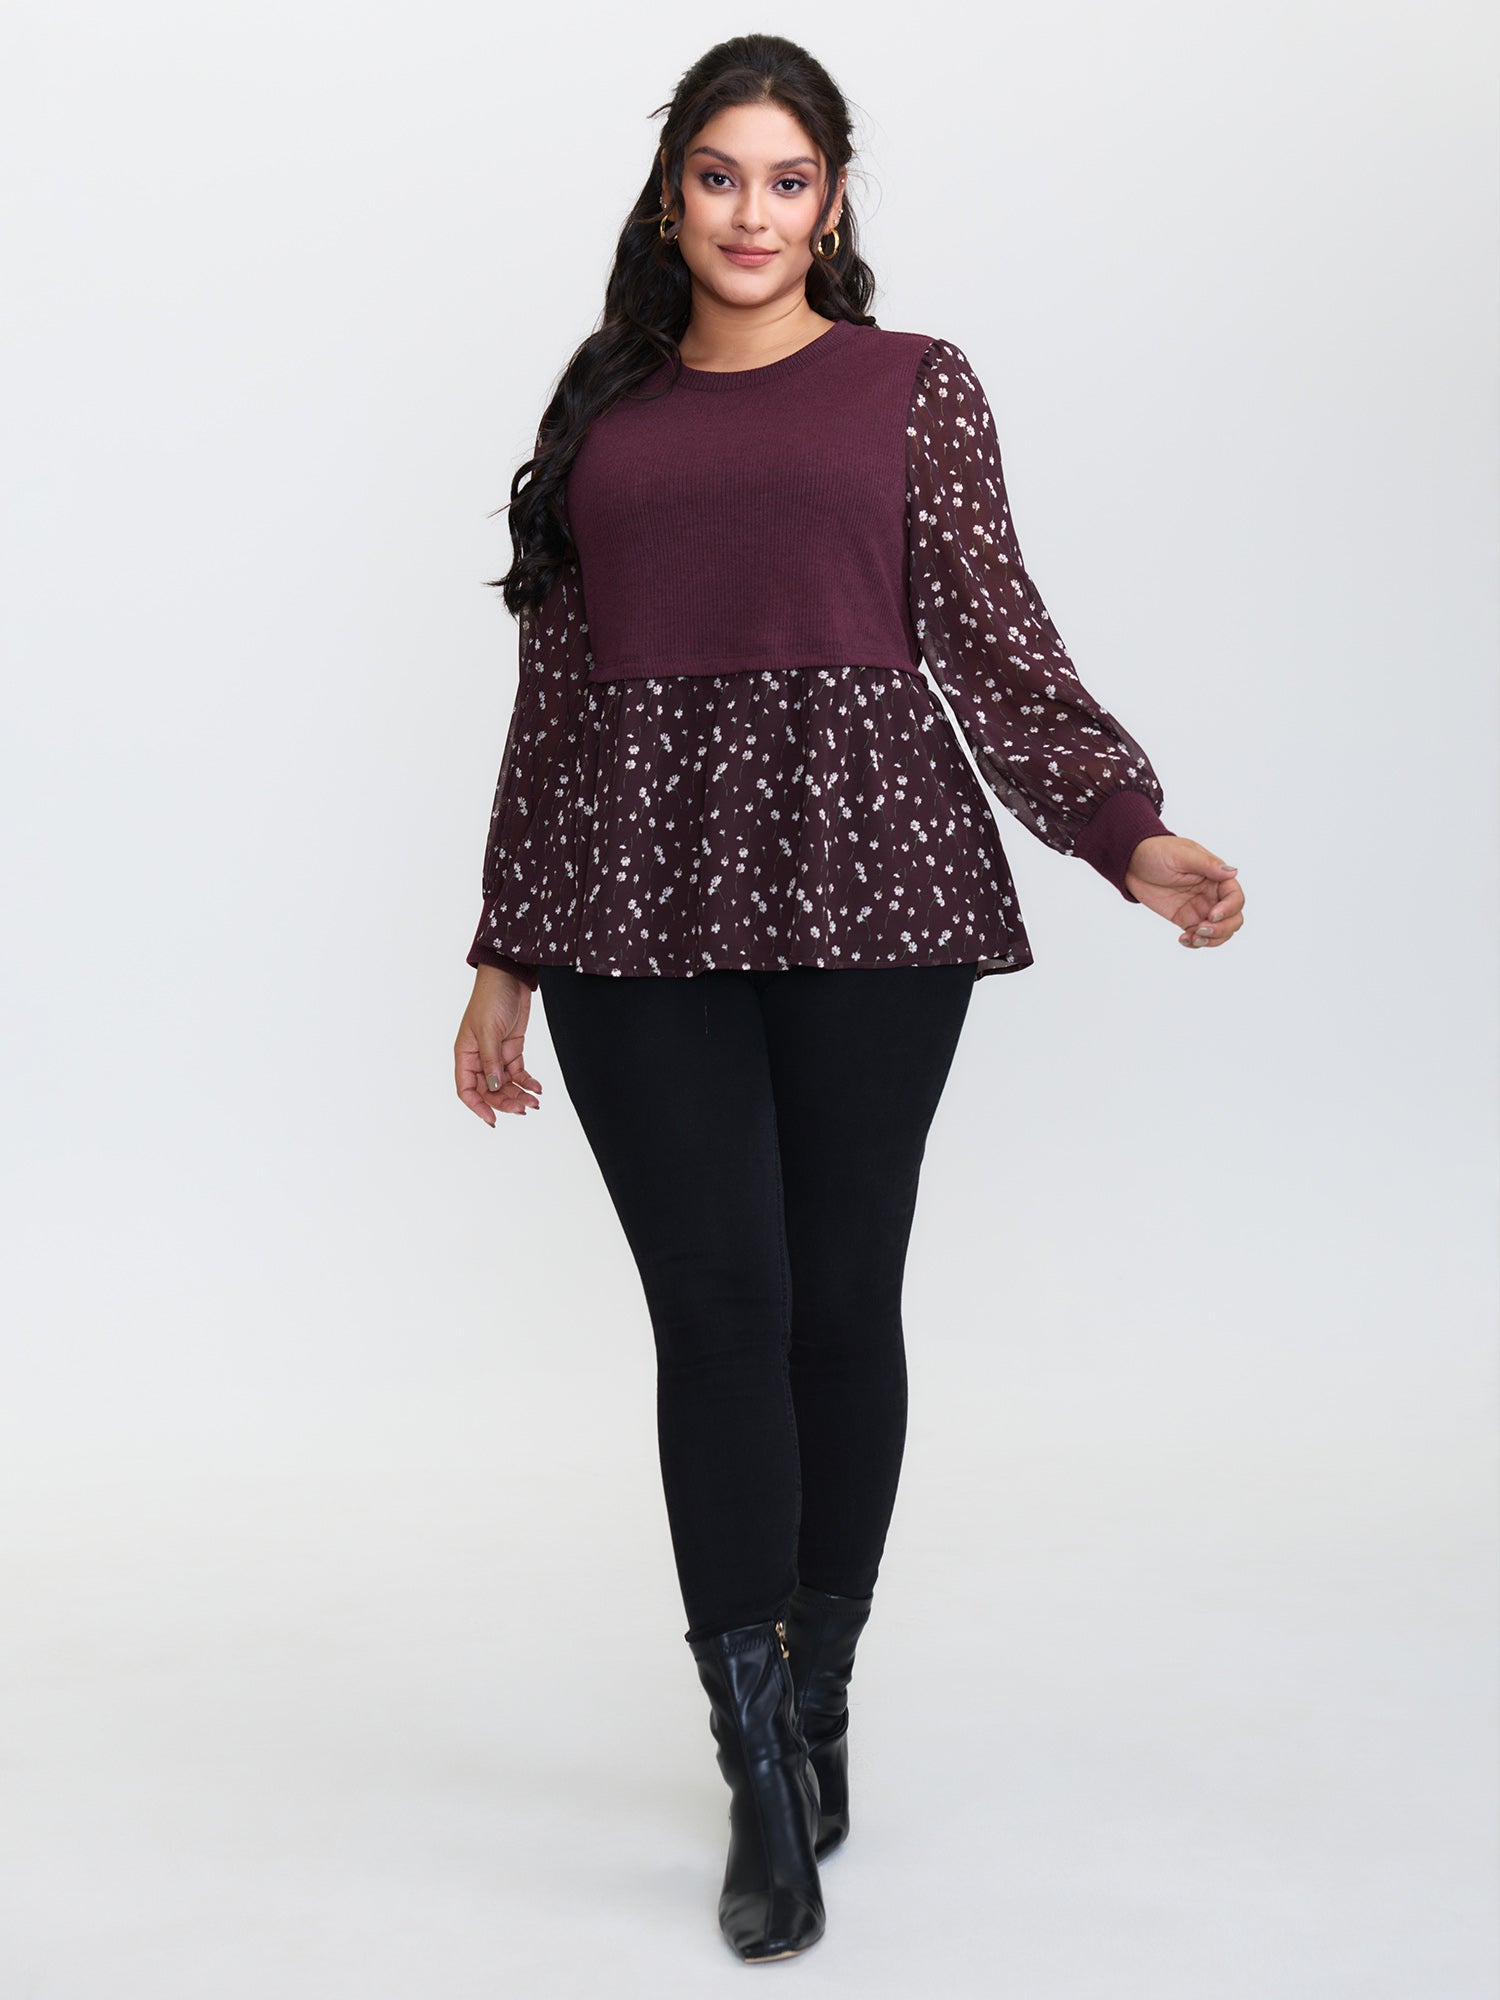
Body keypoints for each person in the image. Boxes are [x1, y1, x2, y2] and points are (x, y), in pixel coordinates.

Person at [451, 33, 1244, 1966]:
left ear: (831, 202)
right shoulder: (605, 409)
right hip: (631, 902)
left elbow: (993, 634)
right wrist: (501, 954)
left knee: (833, 1301)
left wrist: (1126, 832)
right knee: (715, 1311)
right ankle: (754, 1771)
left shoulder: (912, 388)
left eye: (787, 179)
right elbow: (553, 702)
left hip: (873, 883)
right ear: (670, 199)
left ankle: (815, 1705)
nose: (752, 212)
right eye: (718, 176)